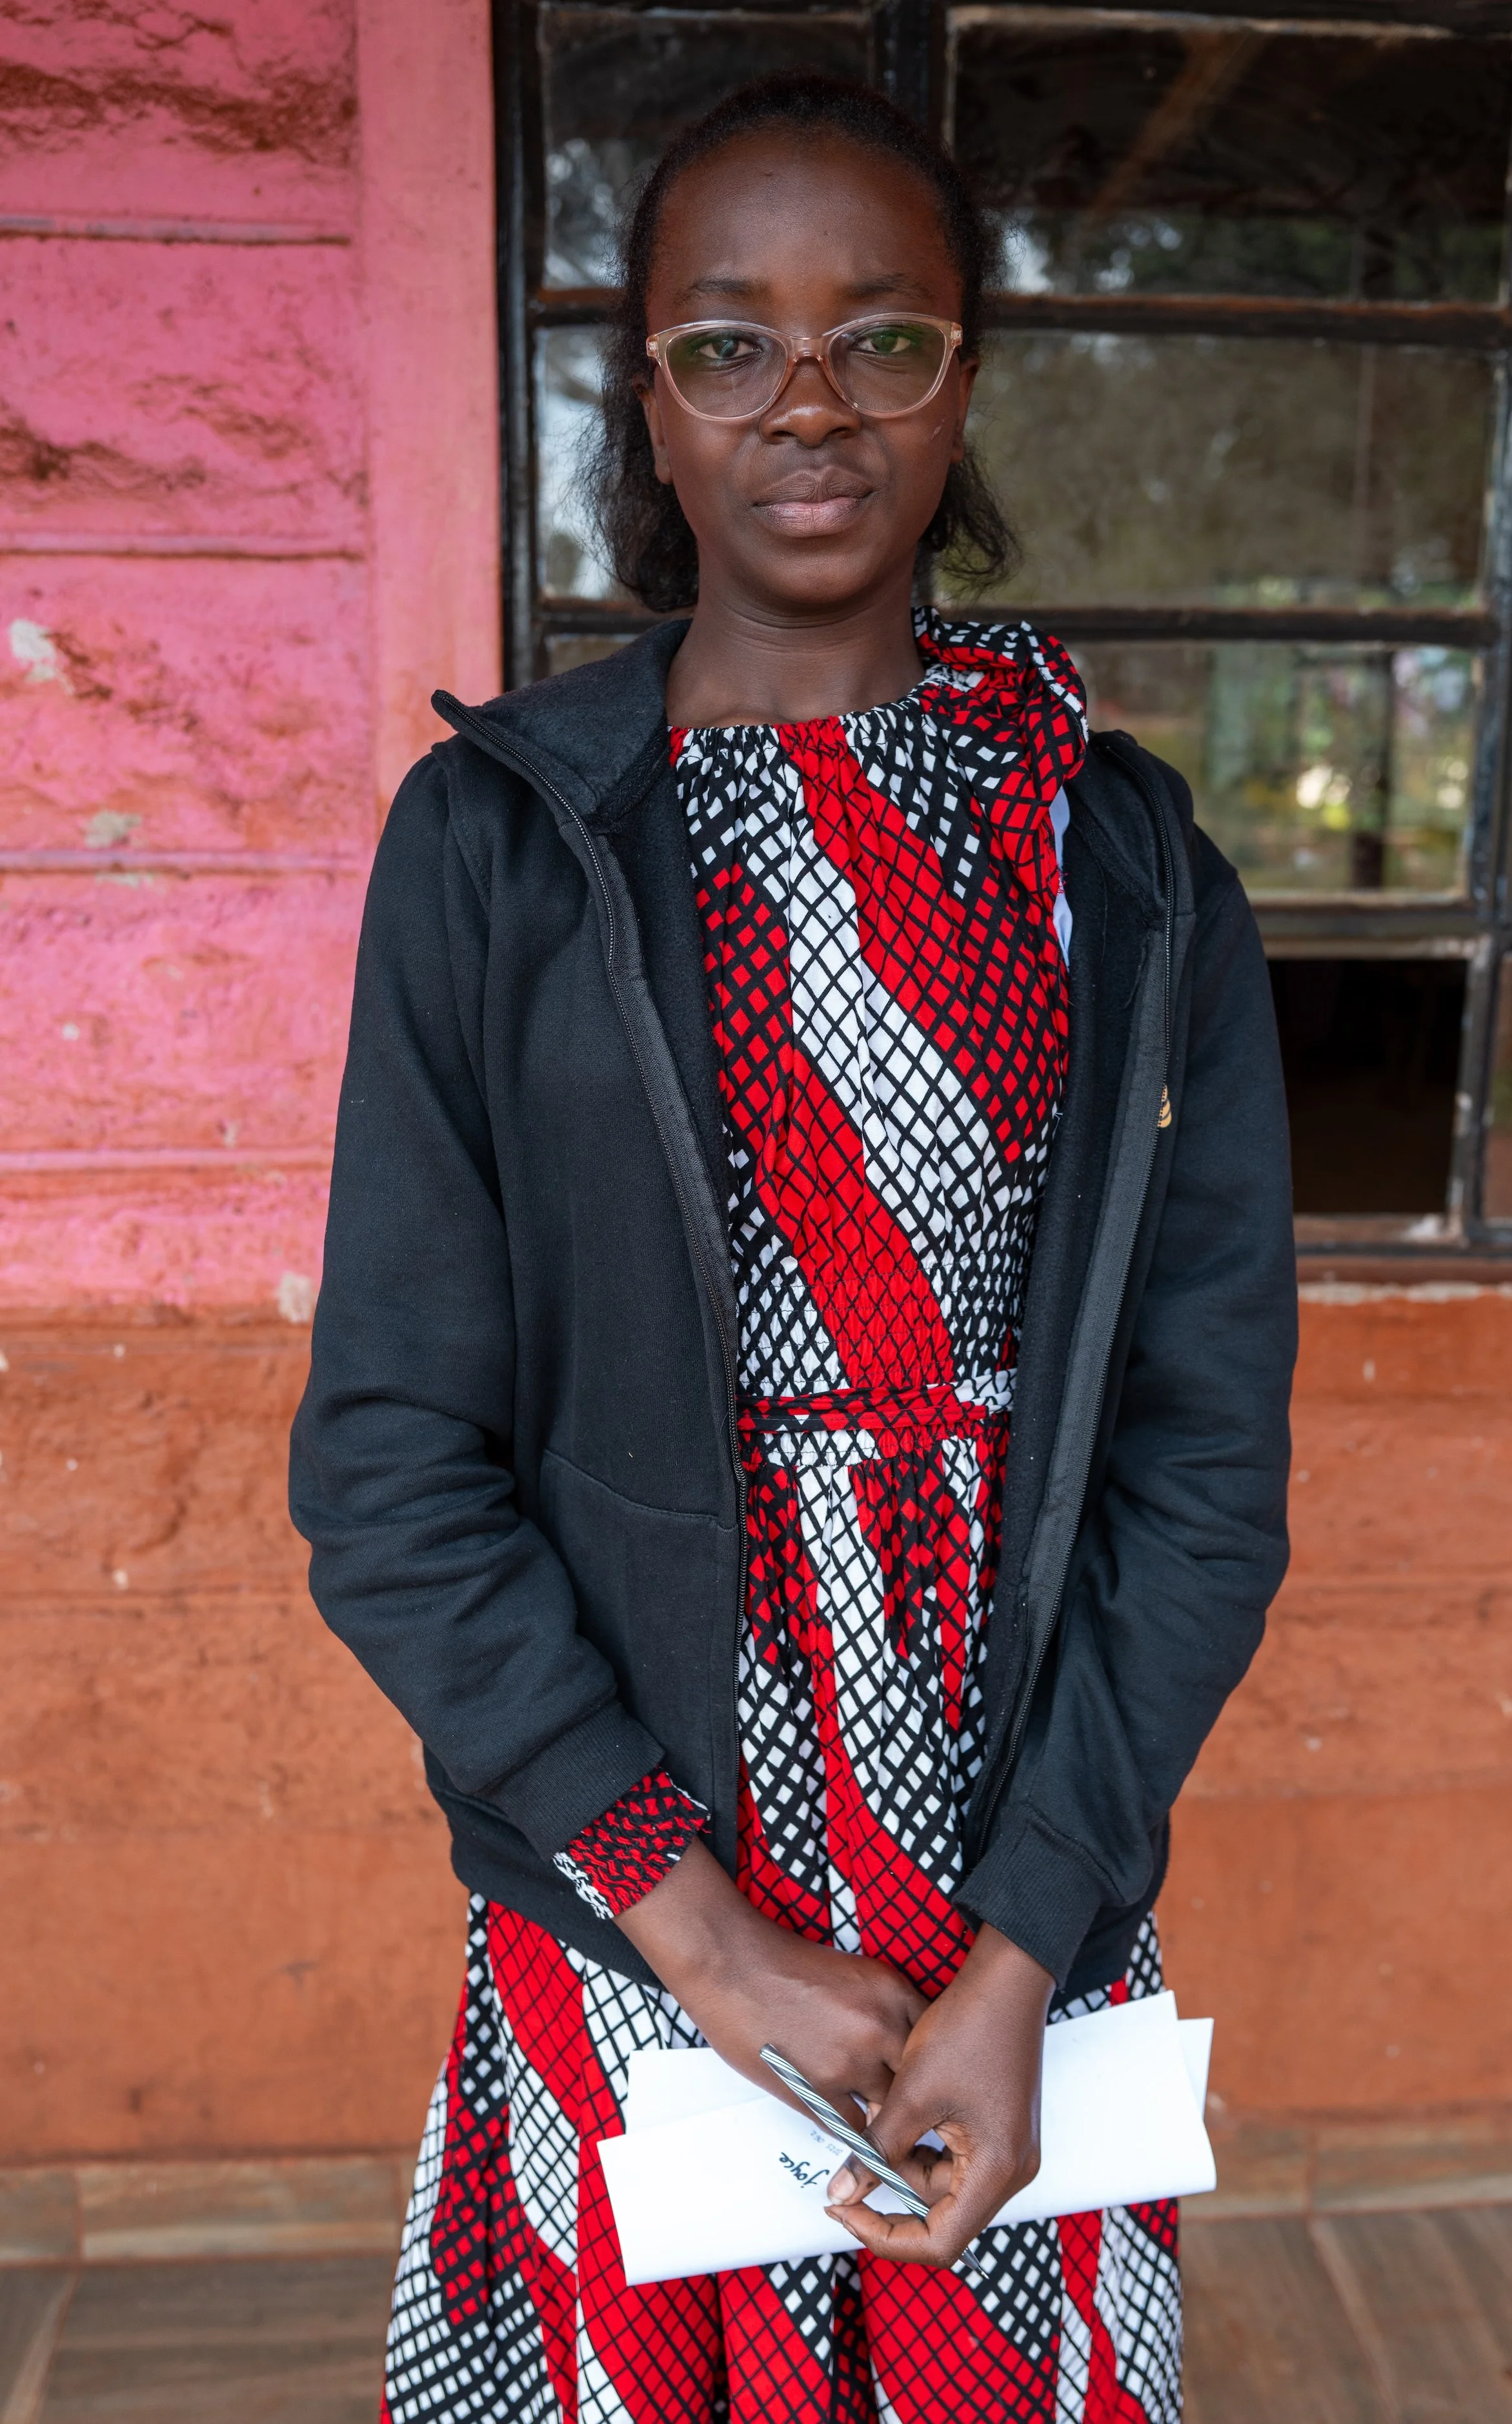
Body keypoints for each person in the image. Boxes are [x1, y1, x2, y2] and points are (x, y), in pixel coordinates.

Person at [290, 72, 1295, 2424]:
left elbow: (1200, 1470)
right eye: (727, 343)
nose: (808, 402)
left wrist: (1028, 1945)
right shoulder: (499, 846)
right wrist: (703, 1933)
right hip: (629, 1874)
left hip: (1025, 1871)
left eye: (882, 337)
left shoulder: (1128, 871)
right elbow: (391, 1467)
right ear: (647, 404)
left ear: (964, 382)